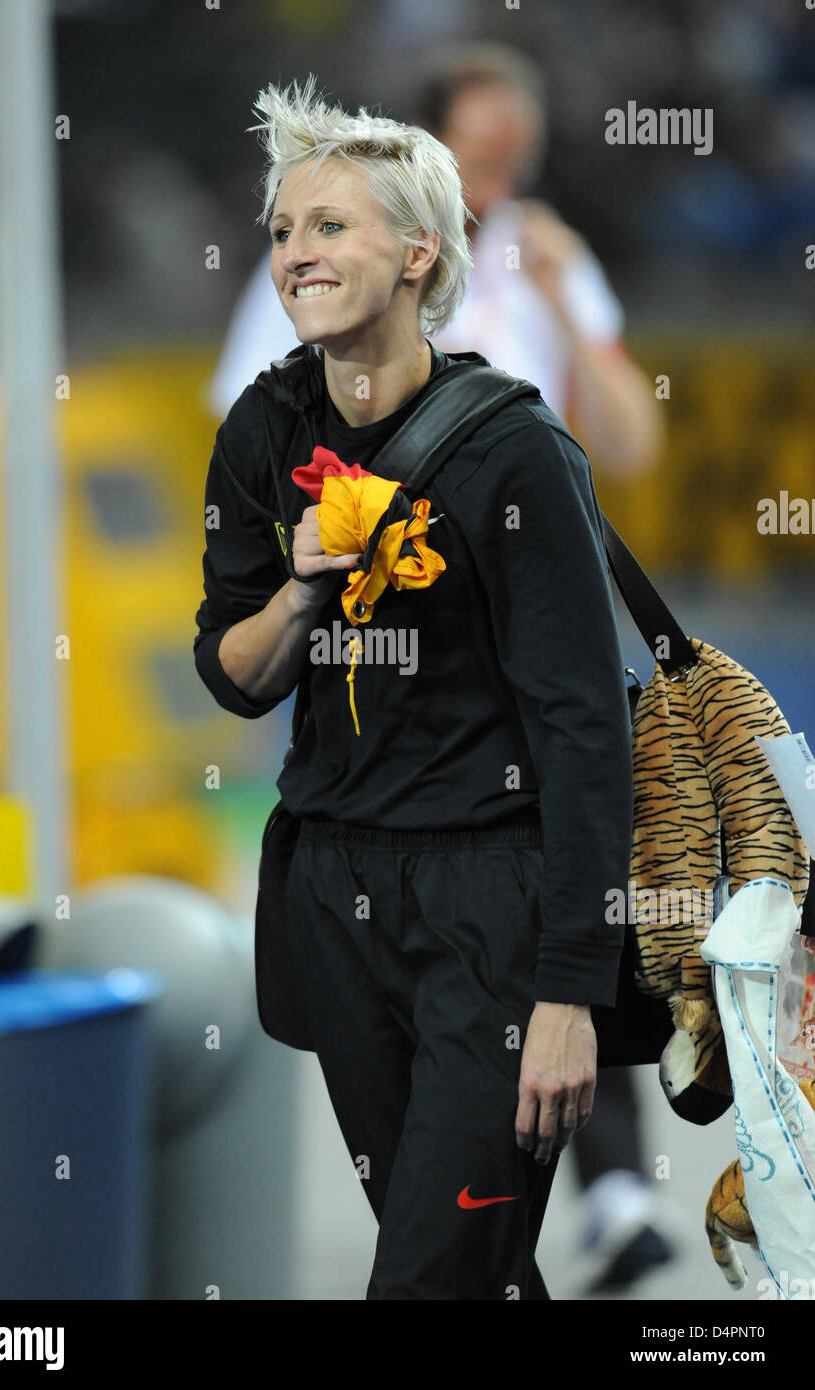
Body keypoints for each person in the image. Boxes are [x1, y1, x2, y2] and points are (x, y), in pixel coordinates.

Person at [193, 76, 634, 1300]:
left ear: (416, 253)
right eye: (283, 229)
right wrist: (296, 592)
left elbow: (582, 731)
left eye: (330, 225)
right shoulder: (259, 434)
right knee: (464, 1271)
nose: (294, 251)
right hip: (336, 898)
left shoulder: (513, 448)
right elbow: (228, 673)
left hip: (487, 904)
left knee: (428, 1281)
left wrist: (567, 994)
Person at [207, 45, 661, 481]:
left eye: (515, 167)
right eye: (484, 164)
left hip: (519, 530)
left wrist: (562, 304)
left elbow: (630, 449)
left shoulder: (549, 256)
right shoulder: (330, 250)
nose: (503, 193)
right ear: (425, 141)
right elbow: (250, 426)